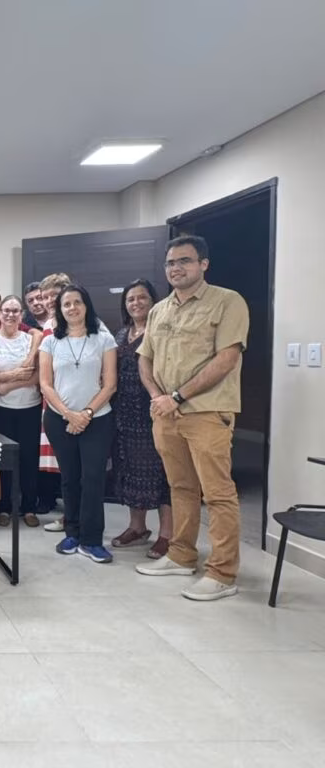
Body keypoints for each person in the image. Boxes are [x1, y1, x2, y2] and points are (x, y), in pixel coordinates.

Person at [136, 235, 250, 601]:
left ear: (203, 263)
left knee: (217, 493)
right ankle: (181, 555)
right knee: (181, 487)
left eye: (184, 261)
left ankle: (222, 572)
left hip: (207, 411)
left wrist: (177, 396)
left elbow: (226, 358)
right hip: (165, 413)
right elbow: (145, 358)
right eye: (170, 263)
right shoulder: (160, 310)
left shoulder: (227, 302)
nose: (176, 268)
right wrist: (158, 397)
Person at [39, 285, 118, 564]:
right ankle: (72, 533)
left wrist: (84, 413)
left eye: (77, 302)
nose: (72, 308)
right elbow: (45, 385)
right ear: (59, 311)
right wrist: (69, 414)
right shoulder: (50, 342)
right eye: (66, 304)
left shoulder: (104, 340)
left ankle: (92, 540)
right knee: (70, 478)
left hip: (97, 419)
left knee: (93, 479)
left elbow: (110, 385)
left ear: (87, 306)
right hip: (59, 420)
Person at [111, 279, 172, 559]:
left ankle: (166, 535)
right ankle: (137, 527)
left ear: (153, 300)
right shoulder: (122, 333)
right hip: (125, 413)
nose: (136, 303)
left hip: (153, 411)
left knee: (160, 474)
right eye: (130, 299)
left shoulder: (162, 330)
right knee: (131, 471)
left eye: (141, 298)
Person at [0, 295, 42, 527]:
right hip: (2, 410)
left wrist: (10, 384)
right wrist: (13, 375)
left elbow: (38, 374)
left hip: (30, 407)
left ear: (22, 315)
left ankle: (29, 507)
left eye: (15, 311)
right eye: (6, 311)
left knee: (29, 459)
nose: (10, 315)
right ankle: (5, 508)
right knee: (5, 460)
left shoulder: (31, 340)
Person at [38, 272, 72, 526]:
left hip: (75, 400)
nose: (50, 300)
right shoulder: (49, 324)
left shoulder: (81, 322)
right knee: (65, 463)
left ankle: (73, 516)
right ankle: (70, 515)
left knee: (73, 464)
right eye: (45, 296)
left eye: (54, 295)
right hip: (52, 399)